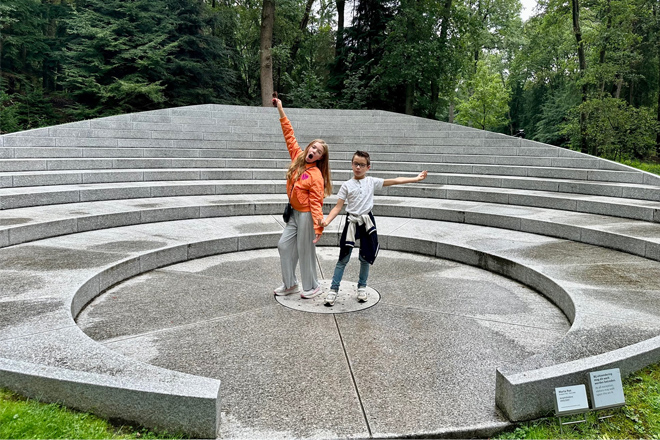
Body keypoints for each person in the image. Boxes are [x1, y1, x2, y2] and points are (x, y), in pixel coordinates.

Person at [320, 151, 427, 306]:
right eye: (355, 163)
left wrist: (416, 178)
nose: (358, 167)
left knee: (365, 257)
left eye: (362, 165)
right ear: (351, 164)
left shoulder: (371, 182)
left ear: (368, 167)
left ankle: (362, 287)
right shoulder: (346, 185)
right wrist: (327, 221)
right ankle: (333, 290)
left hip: (367, 221)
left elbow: (395, 181)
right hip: (352, 222)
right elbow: (338, 207)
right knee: (343, 257)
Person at [273, 98, 332, 299]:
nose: (313, 151)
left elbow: (316, 204)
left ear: (320, 158)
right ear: (308, 148)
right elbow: (289, 135)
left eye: (318, 151)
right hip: (293, 214)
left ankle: (312, 286)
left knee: (305, 251)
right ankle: (290, 284)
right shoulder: (298, 157)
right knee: (283, 246)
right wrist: (281, 110)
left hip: (306, 216)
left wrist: (318, 227)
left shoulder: (316, 176)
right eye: (313, 147)